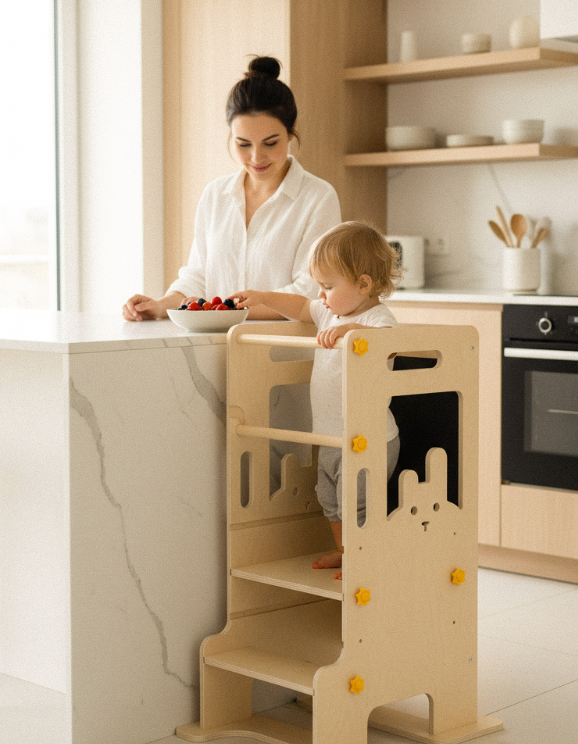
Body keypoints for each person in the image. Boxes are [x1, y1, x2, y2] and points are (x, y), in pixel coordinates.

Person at [230, 221, 402, 579]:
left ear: (364, 285)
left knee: (357, 504)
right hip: (331, 437)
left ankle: (362, 556)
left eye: (327, 286)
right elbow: (298, 306)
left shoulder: (376, 318)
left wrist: (352, 331)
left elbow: (387, 346)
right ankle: (346, 551)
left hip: (369, 439)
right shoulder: (328, 311)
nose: (320, 296)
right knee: (330, 499)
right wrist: (262, 296)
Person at [122, 55, 341, 322]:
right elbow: (198, 277)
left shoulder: (317, 198)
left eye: (270, 143)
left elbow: (310, 293)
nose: (256, 157)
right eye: (243, 144)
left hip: (284, 354)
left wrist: (223, 311)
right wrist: (161, 306)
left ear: (291, 130)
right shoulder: (216, 195)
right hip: (215, 349)